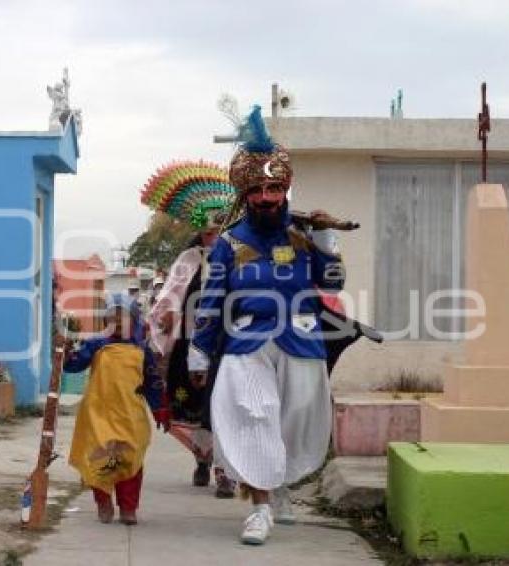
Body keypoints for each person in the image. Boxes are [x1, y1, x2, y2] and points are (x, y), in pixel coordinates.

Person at [187, 106, 345, 545]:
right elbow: (212, 298)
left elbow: (333, 282)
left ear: (286, 188)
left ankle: (279, 491)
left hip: (302, 339)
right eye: (258, 190)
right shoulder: (231, 242)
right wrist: (198, 351)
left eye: (275, 188)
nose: (267, 198)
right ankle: (258, 508)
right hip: (247, 343)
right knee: (254, 416)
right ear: (246, 192)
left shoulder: (304, 233)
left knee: (293, 422)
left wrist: (326, 242)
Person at [141, 160, 238, 497]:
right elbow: (171, 295)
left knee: (224, 406)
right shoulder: (189, 259)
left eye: (218, 229)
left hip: (228, 342)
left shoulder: (240, 257)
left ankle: (225, 471)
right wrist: (166, 318)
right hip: (189, 344)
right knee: (194, 406)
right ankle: (202, 459)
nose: (213, 236)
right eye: (208, 231)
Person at [65, 297, 168, 525]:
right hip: (98, 412)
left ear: (134, 321)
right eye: (112, 318)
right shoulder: (96, 345)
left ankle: (128, 507)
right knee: (101, 458)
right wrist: (64, 354)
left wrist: (160, 408)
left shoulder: (142, 350)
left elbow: (152, 381)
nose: (118, 324)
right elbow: (74, 365)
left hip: (131, 416)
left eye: (123, 318)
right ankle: (103, 502)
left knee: (130, 460)